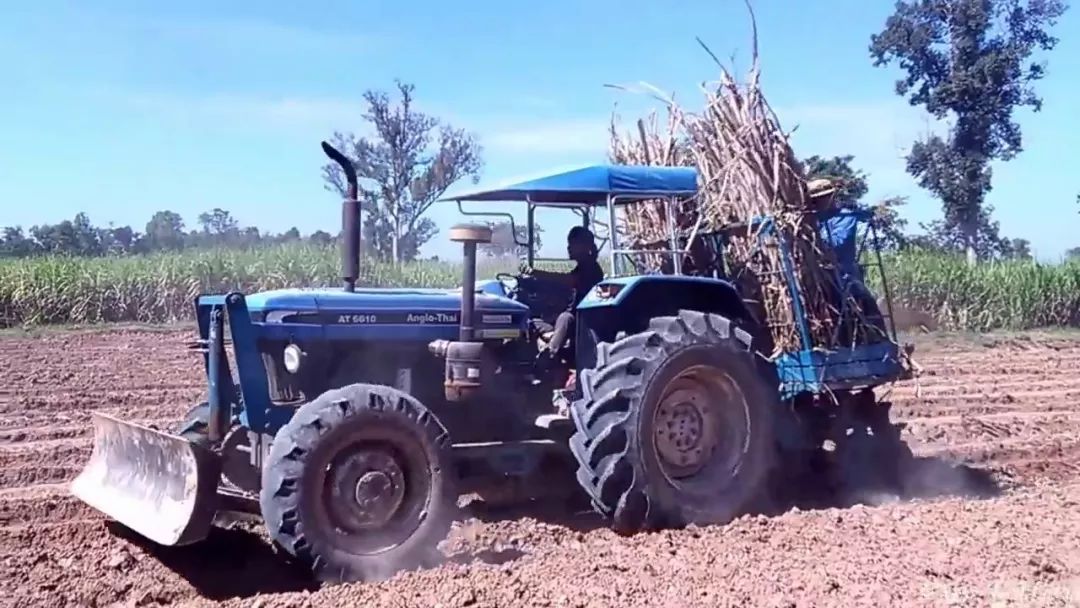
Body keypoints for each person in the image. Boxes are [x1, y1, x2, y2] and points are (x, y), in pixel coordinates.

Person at [523, 225, 604, 359]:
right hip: (567, 316)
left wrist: (537, 274)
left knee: (564, 317)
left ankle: (549, 356)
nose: (569, 248)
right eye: (568, 244)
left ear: (585, 246)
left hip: (583, 319)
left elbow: (566, 280)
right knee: (529, 320)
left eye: (573, 244)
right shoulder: (579, 268)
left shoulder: (591, 269)